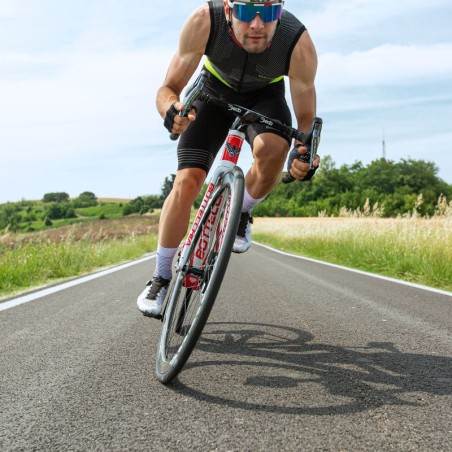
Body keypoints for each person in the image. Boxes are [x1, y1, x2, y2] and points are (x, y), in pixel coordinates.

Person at [137, 0, 320, 317]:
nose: (258, 25)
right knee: (187, 181)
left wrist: (303, 153)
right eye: (248, 12)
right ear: (228, 9)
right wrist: (171, 111)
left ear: (281, 9)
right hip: (213, 92)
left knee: (272, 151)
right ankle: (162, 276)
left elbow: (305, 122)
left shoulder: (297, 42)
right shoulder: (204, 22)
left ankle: (242, 210)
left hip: (266, 96)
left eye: (270, 12)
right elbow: (168, 88)